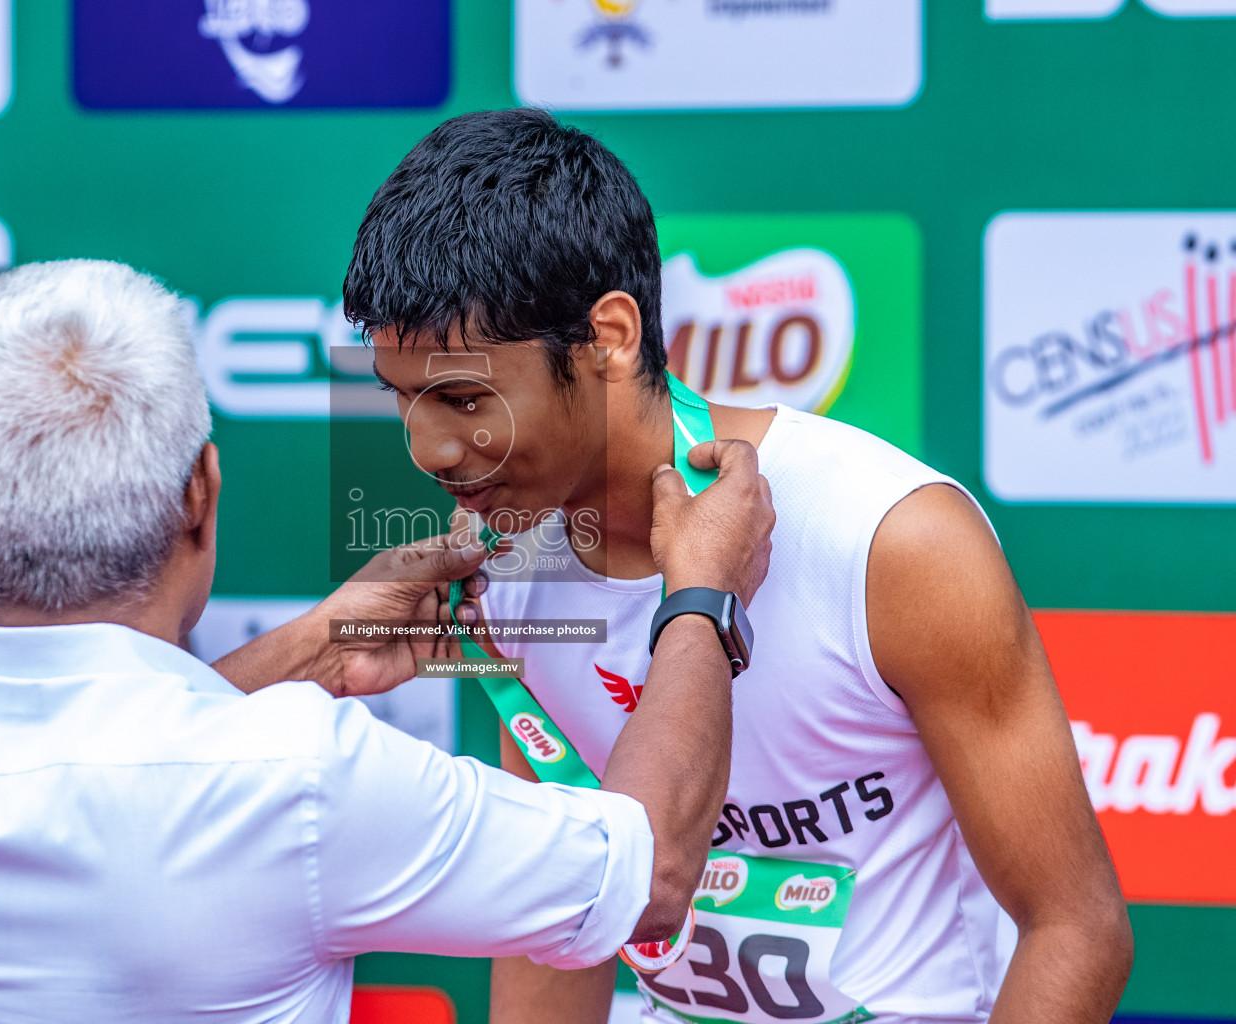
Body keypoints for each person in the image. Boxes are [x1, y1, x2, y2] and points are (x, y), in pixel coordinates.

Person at [0, 259, 777, 1023]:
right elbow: (649, 877)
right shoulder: (299, 776)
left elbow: (87, 768)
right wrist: (700, 595)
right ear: (203, 493)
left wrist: (315, 648)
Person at [341, 109, 1134, 1024]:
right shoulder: (508, 565)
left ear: (609, 337)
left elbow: (1076, 928)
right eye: (402, 401)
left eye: (465, 398)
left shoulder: (890, 540)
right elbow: (569, 917)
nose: (429, 450)